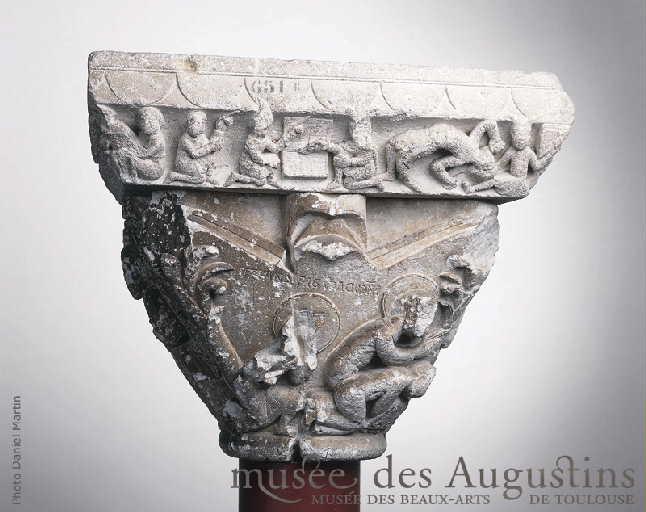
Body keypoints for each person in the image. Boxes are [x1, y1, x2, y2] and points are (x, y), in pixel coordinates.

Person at [171, 110, 232, 184]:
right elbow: (195, 154)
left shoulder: (201, 136)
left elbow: (209, 145)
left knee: (211, 156)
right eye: (198, 123)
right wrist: (211, 146)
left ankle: (208, 176)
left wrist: (219, 130)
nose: (201, 127)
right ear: (189, 123)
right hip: (185, 163)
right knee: (200, 179)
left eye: (203, 123)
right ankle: (176, 176)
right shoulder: (184, 138)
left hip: (195, 162)